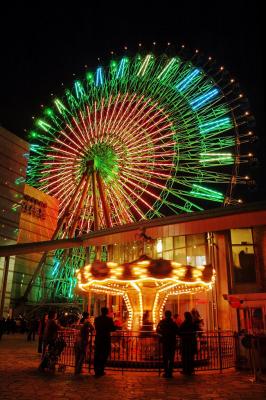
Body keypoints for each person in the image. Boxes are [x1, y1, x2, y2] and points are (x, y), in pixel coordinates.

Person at [93, 307, 118, 377]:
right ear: (107, 312)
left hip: (98, 338)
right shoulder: (109, 319)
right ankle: (101, 369)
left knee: (97, 354)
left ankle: (96, 370)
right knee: (104, 354)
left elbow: (96, 327)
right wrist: (116, 327)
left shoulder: (97, 319)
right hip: (105, 338)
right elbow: (112, 328)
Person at [156, 310, 179, 378]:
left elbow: (157, 329)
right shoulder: (173, 323)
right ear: (170, 315)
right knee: (171, 357)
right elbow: (177, 331)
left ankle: (166, 372)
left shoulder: (162, 322)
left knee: (165, 357)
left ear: (165, 315)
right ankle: (170, 372)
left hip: (165, 341)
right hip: (172, 341)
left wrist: (162, 334)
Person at [178, 312, 197, 376]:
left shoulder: (185, 323)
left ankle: (186, 370)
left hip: (186, 342)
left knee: (185, 357)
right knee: (191, 357)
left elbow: (179, 331)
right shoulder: (192, 323)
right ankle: (191, 369)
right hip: (191, 342)